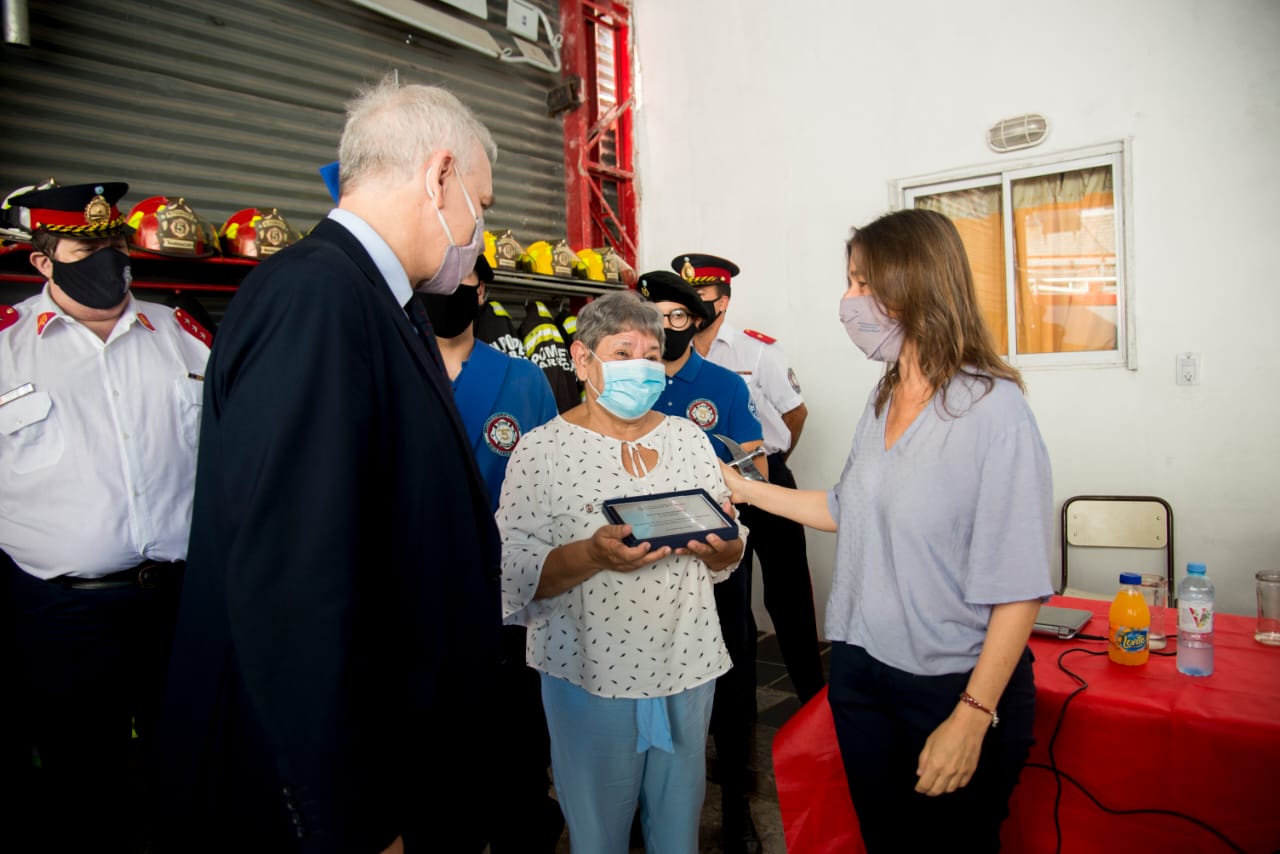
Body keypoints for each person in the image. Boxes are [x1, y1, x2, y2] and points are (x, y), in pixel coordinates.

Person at [153, 78, 503, 853]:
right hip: (334, 798)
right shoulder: (317, 298)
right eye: (482, 202)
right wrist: (352, 816)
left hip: (401, 744)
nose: (480, 229)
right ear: (438, 175)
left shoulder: (373, 299)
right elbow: (293, 575)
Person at [719, 208, 1053, 852]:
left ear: (918, 285)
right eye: (849, 282)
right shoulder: (885, 397)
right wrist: (742, 489)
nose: (849, 301)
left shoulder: (993, 411)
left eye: (865, 283)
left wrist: (972, 716)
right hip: (861, 673)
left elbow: (1020, 587)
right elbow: (847, 508)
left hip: (951, 685)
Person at [0, 181, 211, 853]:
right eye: (85, 247)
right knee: (81, 789)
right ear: (42, 262)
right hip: (59, 617)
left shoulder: (181, 335)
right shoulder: (7, 348)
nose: (108, 259)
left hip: (177, 605)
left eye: (116, 243)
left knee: (188, 772)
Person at [497, 290, 746, 854]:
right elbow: (513, 573)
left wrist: (718, 547)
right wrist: (593, 554)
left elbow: (731, 553)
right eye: (624, 351)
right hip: (589, 674)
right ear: (583, 360)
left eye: (652, 354)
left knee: (678, 829)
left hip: (687, 662)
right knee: (600, 834)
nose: (642, 365)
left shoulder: (688, 440)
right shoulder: (542, 452)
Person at [417, 255, 564, 852]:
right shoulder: (398, 365)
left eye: (460, 284)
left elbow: (558, 486)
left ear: (483, 293)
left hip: (509, 599)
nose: (446, 295)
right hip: (421, 595)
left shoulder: (523, 380)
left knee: (517, 749)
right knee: (434, 757)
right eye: (432, 285)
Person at [637, 269, 765, 853]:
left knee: (731, 682)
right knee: (648, 680)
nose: (664, 328)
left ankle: (737, 806)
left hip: (715, 560)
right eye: (653, 316)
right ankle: (645, 808)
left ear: (697, 321)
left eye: (677, 317)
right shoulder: (626, 384)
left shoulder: (725, 386)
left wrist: (716, 492)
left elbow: (756, 473)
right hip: (643, 568)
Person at [682, 252, 826, 703]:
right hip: (710, 489)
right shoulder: (674, 352)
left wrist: (768, 463)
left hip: (764, 479)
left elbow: (794, 414)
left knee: (788, 595)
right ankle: (737, 706)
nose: (690, 305)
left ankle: (812, 698)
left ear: (721, 301)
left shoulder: (756, 350)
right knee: (729, 597)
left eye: (698, 296)